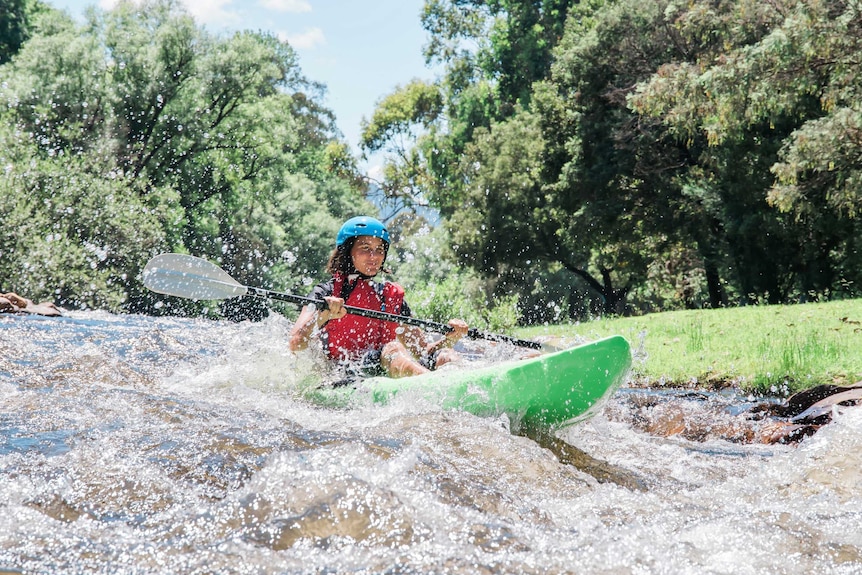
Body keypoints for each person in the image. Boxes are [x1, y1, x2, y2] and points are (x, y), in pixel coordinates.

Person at [289, 216, 469, 378]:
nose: (374, 257)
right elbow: (295, 343)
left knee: (446, 355)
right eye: (365, 248)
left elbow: (423, 351)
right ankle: (434, 384)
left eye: (379, 250)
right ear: (347, 251)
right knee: (393, 348)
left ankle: (465, 381)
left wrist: (451, 338)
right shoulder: (325, 293)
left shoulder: (388, 297)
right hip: (347, 373)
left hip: (384, 366)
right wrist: (324, 315)